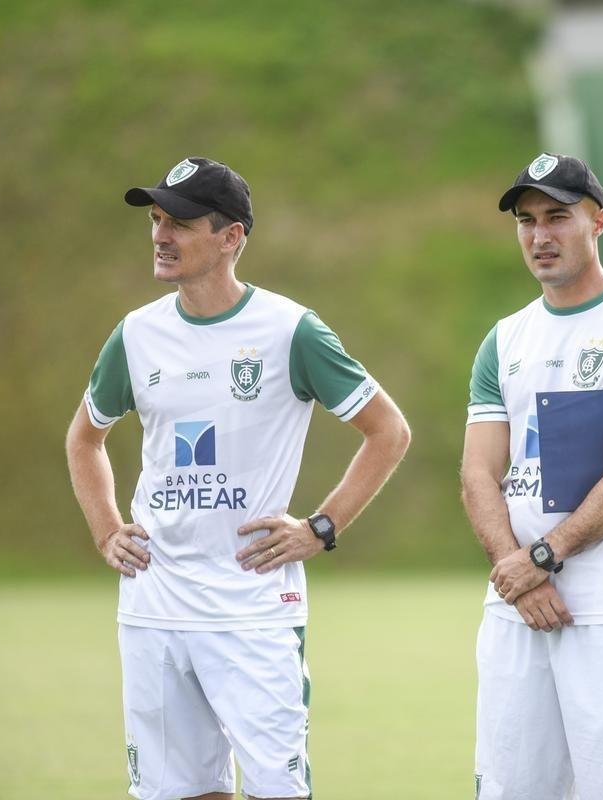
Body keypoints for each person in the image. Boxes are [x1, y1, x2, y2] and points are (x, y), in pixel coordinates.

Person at [65, 156, 411, 800]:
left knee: (276, 790)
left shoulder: (290, 330)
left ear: (232, 237)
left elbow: (388, 431)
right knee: (176, 791)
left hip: (253, 609)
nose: (161, 236)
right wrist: (107, 529)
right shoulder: (136, 334)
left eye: (181, 223)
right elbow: (85, 438)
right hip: (155, 606)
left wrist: (321, 527)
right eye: (156, 220)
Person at [461, 153, 603, 800]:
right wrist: (516, 571)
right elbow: (479, 471)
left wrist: (543, 557)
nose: (540, 235)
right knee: (510, 789)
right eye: (526, 220)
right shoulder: (504, 339)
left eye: (558, 217)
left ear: (599, 222)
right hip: (514, 604)